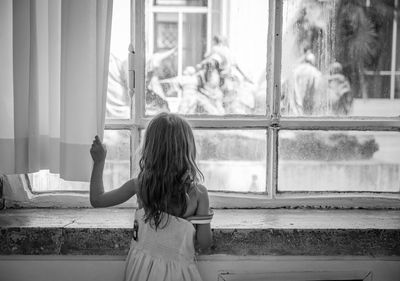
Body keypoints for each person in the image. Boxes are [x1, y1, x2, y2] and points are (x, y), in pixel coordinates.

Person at [89, 112, 213, 281]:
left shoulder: (140, 185)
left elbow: (97, 200)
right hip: (179, 274)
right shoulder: (198, 194)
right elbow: (205, 243)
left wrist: (99, 162)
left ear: (150, 149)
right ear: (188, 150)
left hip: (141, 271)